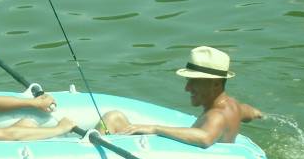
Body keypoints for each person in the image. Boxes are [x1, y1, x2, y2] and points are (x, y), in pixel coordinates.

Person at [97, 46, 264, 148]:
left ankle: (88, 153)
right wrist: (259, 114)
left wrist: (155, 128)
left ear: (216, 84)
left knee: (112, 119)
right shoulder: (233, 106)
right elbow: (249, 112)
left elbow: (205, 138)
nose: (187, 88)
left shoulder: (216, 116)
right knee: (116, 118)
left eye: (194, 81)